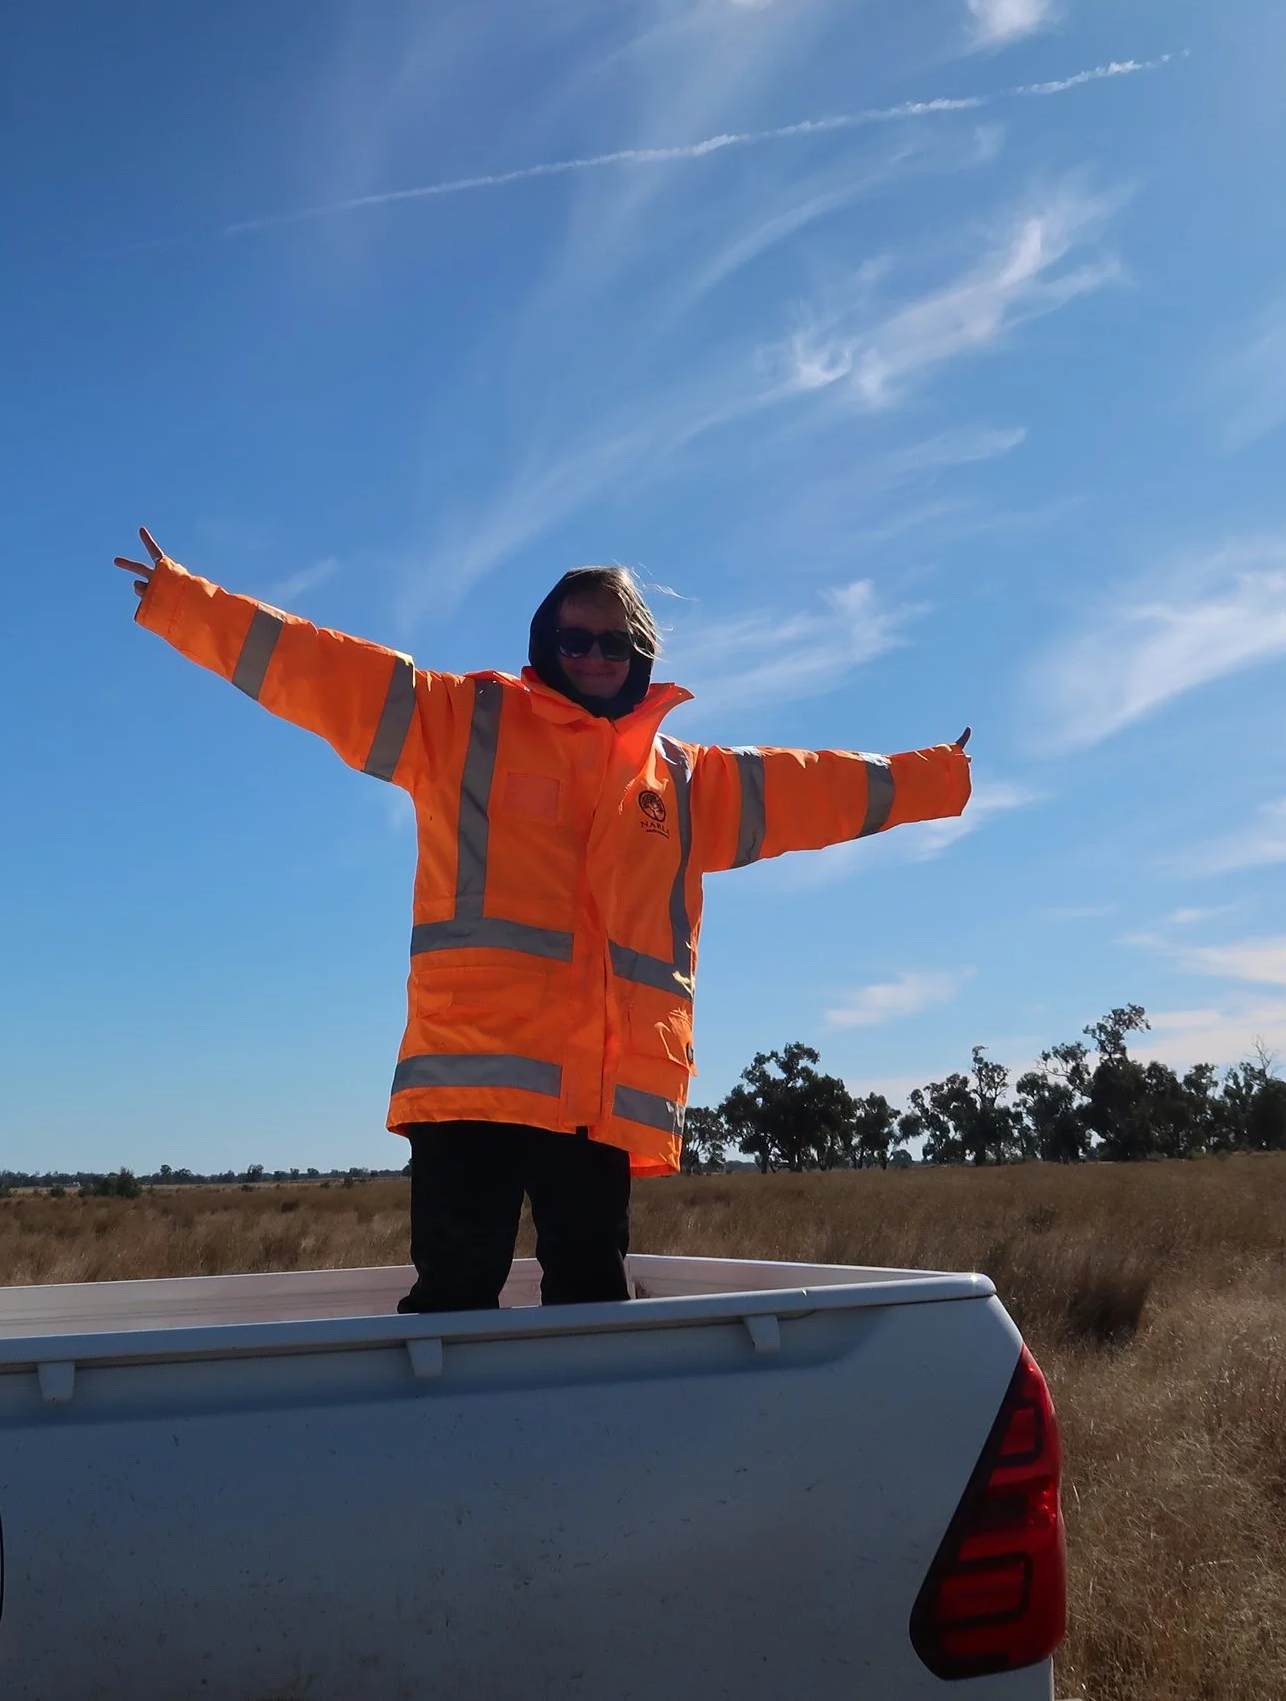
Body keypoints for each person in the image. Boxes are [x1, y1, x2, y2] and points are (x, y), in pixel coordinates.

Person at [114, 528, 970, 1312]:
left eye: (616, 641)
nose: (596, 656)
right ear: (543, 644)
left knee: (594, 1301)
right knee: (452, 1298)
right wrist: (186, 602)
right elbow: (316, 669)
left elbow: (815, 785)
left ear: (642, 651)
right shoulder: (460, 721)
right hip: (468, 1086)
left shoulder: (685, 781)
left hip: (591, 1097)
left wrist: (936, 777)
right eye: (576, 639)